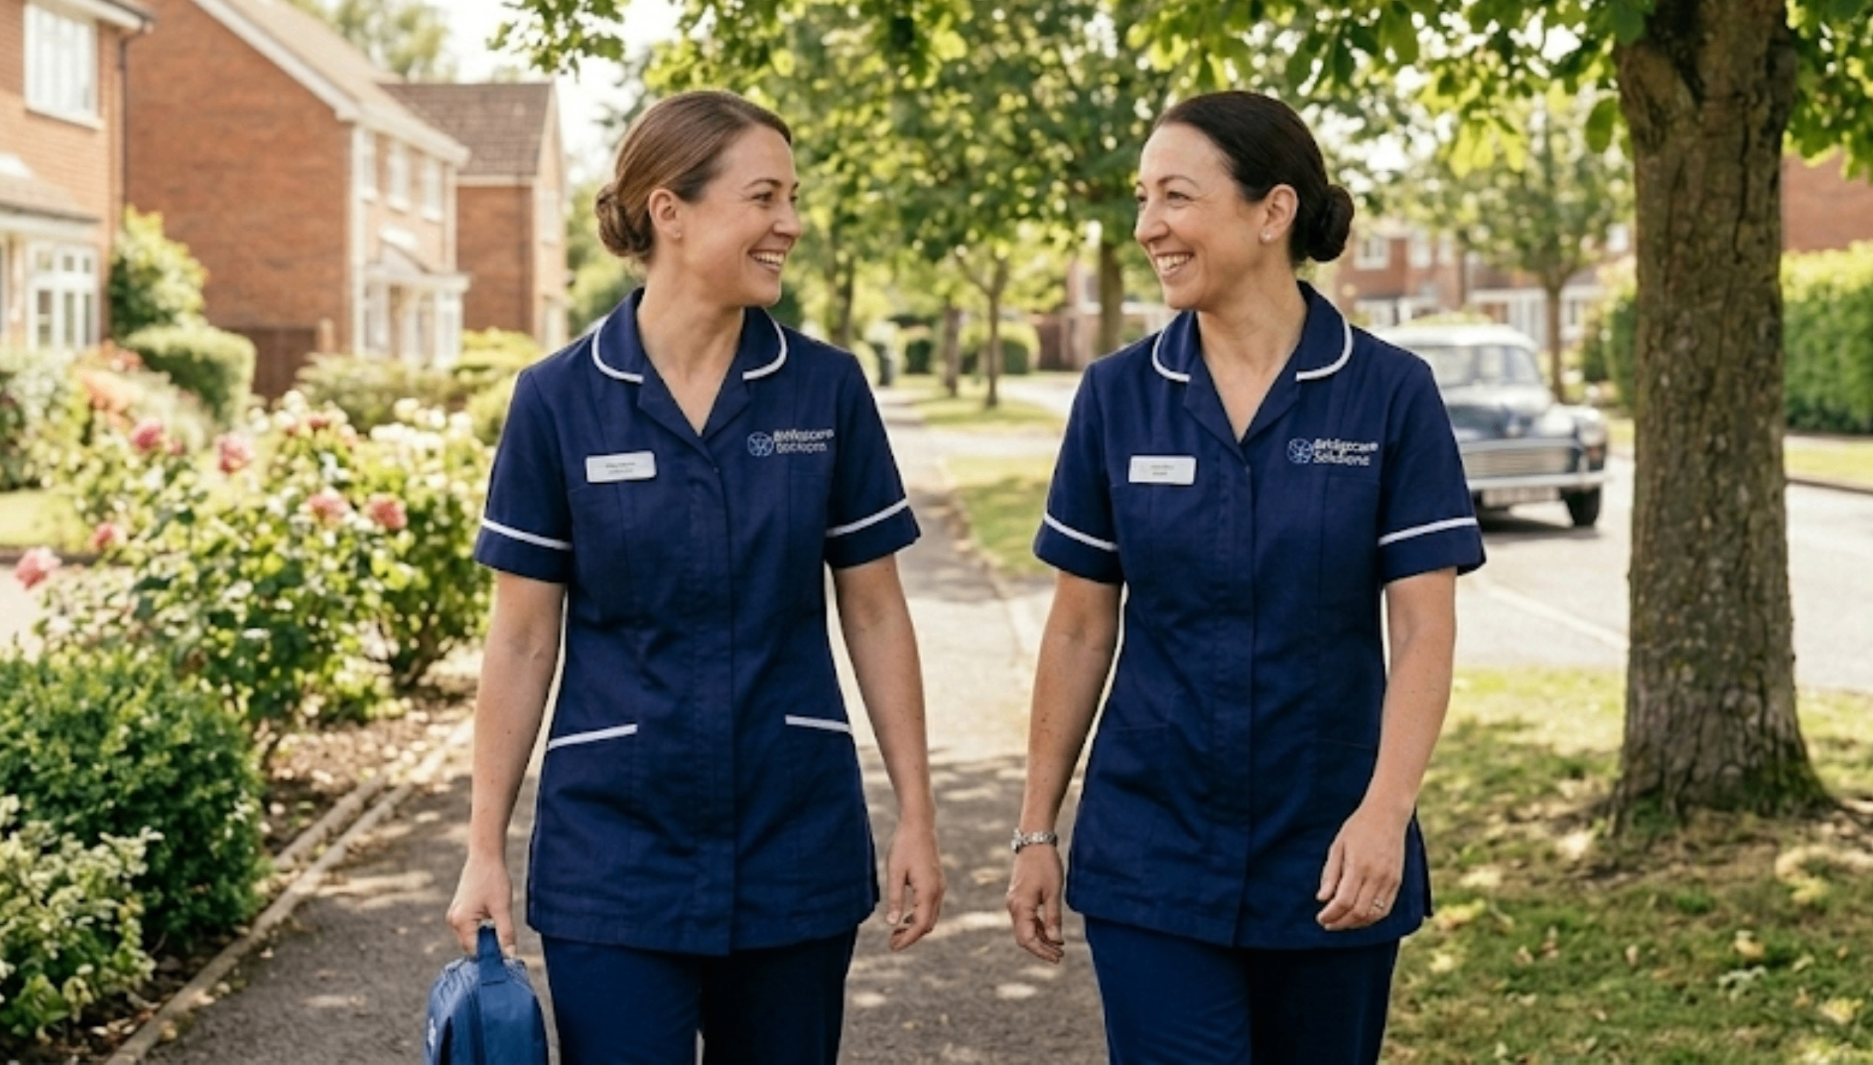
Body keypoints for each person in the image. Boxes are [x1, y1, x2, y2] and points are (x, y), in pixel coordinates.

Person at [448, 89, 945, 1065]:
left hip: (794, 835)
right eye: (764, 197)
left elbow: (876, 613)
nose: (790, 223)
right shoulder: (558, 399)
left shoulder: (826, 390)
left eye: (791, 197)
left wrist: (917, 818)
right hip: (613, 851)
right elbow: (523, 637)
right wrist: (483, 847)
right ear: (669, 210)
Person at [1005, 90, 1484, 1063]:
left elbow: (1423, 628)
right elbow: (1081, 626)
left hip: (1332, 846)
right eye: (1143, 199)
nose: (1148, 227)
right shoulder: (1117, 395)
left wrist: (1385, 814)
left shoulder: (1390, 392)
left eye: (1175, 197)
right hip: (1152, 847)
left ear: (1273, 212)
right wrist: (1036, 830)